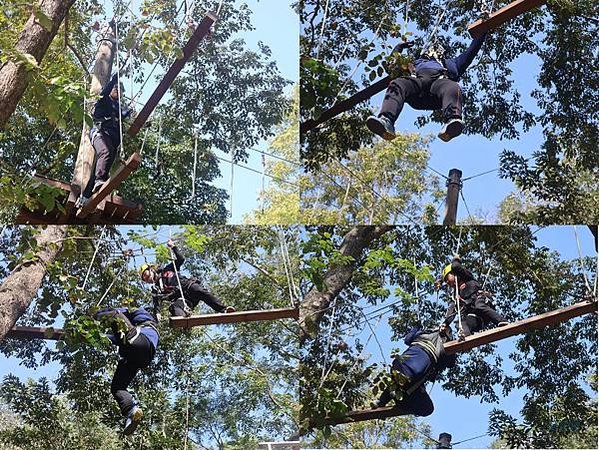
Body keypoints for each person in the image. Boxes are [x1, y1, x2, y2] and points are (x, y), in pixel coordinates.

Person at [366, 34, 487, 142]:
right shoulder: (414, 63)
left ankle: (452, 121)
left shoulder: (452, 63)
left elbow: (471, 51)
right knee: (397, 83)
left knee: (452, 86)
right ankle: (386, 121)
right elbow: (391, 66)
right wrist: (399, 48)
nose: (432, 50)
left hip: (438, 91)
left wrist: (482, 31)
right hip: (417, 88)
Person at [93, 306, 159, 435]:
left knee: (113, 315)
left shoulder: (141, 314)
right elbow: (111, 338)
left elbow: (117, 311)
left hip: (141, 342)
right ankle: (131, 411)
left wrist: (93, 316)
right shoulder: (128, 331)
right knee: (117, 388)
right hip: (140, 356)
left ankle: (131, 412)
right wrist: (95, 336)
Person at [139, 239, 236, 318]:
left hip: (189, 287)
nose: (148, 278)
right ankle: (185, 322)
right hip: (183, 299)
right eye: (146, 279)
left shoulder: (167, 269)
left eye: (147, 275)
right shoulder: (156, 290)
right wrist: (157, 314)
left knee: (201, 292)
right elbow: (156, 304)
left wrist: (173, 247)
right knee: (174, 308)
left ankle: (224, 309)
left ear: (152, 270)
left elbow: (181, 259)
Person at [77, 72, 132, 207]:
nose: (118, 93)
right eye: (116, 89)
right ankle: (99, 180)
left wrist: (129, 112)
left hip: (111, 138)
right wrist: (113, 79)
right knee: (105, 153)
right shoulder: (104, 99)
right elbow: (104, 92)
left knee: (103, 164)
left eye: (120, 91)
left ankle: (86, 196)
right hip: (100, 132)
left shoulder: (117, 107)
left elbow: (123, 115)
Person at [375, 326, 456, 416]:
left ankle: (381, 401)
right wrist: (450, 339)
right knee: (427, 409)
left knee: (398, 383)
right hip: (413, 375)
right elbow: (451, 363)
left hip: (398, 366)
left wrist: (416, 327)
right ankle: (399, 402)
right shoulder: (443, 346)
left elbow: (407, 339)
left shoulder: (423, 334)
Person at [440, 257, 508, 337]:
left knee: (479, 305)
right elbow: (452, 310)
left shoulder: (466, 277)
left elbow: (456, 267)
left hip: (481, 303)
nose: (447, 282)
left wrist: (456, 260)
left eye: (447, 278)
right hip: (475, 317)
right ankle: (465, 336)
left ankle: (502, 321)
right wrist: (445, 323)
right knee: (460, 323)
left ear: (454, 274)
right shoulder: (456, 294)